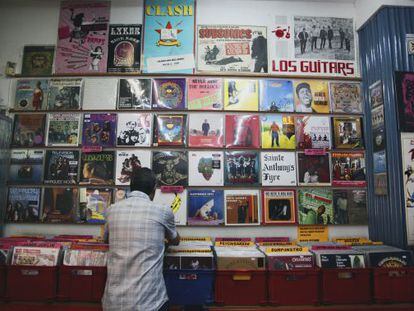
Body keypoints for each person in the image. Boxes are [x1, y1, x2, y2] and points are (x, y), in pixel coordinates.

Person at [102, 168, 180, 311]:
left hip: (113, 302)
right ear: (154, 189)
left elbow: (105, 240)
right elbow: (175, 240)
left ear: (131, 186)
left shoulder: (112, 210)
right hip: (150, 302)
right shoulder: (163, 211)